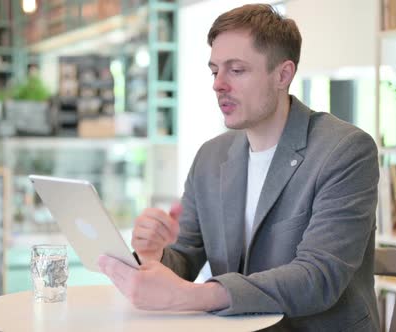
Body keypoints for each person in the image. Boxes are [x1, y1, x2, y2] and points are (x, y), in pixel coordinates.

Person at [98, 4, 379, 331]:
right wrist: (155, 253)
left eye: (237, 70)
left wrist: (196, 296)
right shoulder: (210, 157)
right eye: (215, 70)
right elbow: (185, 260)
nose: (218, 84)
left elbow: (318, 277)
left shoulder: (344, 150)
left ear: (283, 75)